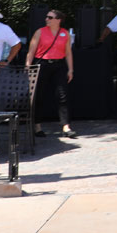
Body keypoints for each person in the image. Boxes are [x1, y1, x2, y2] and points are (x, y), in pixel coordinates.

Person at [25, 9, 76, 139]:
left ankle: (66, 126)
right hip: (42, 64)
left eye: (50, 17)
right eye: (47, 17)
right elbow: (31, 51)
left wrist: (70, 69)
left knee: (62, 95)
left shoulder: (65, 33)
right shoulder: (40, 32)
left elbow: (68, 52)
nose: (46, 19)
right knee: (40, 95)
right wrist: (28, 67)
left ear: (58, 20)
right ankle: (37, 126)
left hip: (59, 65)